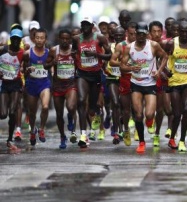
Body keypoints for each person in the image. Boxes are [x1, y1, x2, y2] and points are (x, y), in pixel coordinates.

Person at [120, 22, 168, 153]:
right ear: (135, 34)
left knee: (150, 114)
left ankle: (150, 121)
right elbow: (122, 66)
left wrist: (159, 72)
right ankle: (141, 142)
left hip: (150, 83)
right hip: (136, 83)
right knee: (138, 114)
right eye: (138, 34)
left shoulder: (153, 45)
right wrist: (130, 68)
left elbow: (165, 56)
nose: (141, 36)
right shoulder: (129, 48)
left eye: (143, 34)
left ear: (147, 34)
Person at [72, 17, 111, 148]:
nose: (85, 27)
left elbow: (109, 55)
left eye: (87, 24)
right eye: (83, 24)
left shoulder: (99, 38)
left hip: (96, 75)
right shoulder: (77, 39)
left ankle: (95, 114)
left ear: (92, 26)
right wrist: (74, 56)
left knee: (93, 106)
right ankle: (83, 134)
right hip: (82, 74)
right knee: (82, 100)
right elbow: (73, 51)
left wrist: (96, 55)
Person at [164, 20, 187, 152]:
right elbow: (162, 59)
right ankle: (172, 138)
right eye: (182, 32)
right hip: (174, 80)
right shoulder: (170, 44)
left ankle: (182, 140)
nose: (185, 34)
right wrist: (163, 72)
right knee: (177, 113)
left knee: (185, 109)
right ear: (178, 32)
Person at [43, 29, 77, 148]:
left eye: (67, 39)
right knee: (59, 114)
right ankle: (62, 136)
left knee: (71, 107)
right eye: (62, 38)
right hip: (57, 86)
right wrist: (53, 62)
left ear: (70, 40)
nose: (65, 41)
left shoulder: (74, 50)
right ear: (59, 39)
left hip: (71, 84)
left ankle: (72, 124)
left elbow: (80, 64)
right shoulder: (54, 50)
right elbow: (45, 65)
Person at [23, 28, 51, 146]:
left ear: (45, 39)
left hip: (44, 83)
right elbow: (23, 70)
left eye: (42, 38)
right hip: (32, 84)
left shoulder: (49, 53)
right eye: (37, 38)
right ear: (34, 39)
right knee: (32, 112)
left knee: (45, 107)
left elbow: (52, 66)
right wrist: (28, 70)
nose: (39, 40)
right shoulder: (28, 53)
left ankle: (42, 129)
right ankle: (33, 129)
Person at [0, 29, 25, 150]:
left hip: (16, 84)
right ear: (11, 39)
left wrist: (27, 70)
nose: (15, 41)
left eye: (18, 39)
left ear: (20, 40)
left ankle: (10, 138)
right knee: (3, 114)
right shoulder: (3, 49)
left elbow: (27, 66)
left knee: (13, 112)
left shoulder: (23, 53)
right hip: (4, 84)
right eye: (13, 38)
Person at [150, 20, 173, 146]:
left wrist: (165, 72)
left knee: (169, 108)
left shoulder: (165, 44)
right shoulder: (147, 44)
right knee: (158, 110)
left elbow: (166, 59)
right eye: (154, 31)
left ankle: (170, 131)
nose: (157, 34)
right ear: (150, 33)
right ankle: (157, 133)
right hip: (152, 79)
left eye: (159, 31)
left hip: (166, 79)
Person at [111, 26, 132, 146]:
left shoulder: (143, 45)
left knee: (136, 108)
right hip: (116, 78)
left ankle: (126, 123)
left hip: (137, 79)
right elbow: (111, 61)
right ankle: (123, 130)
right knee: (119, 105)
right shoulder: (119, 46)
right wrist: (123, 65)